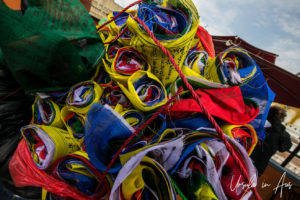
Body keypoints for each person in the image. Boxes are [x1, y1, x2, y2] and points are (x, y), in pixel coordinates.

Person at [251, 105, 292, 175]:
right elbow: (284, 147)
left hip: (242, 157)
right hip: (258, 166)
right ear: (282, 118)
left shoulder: (256, 122)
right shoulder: (282, 134)